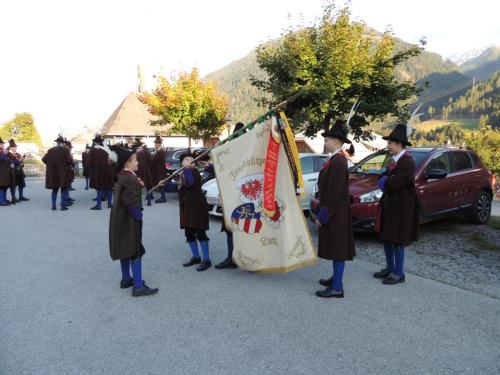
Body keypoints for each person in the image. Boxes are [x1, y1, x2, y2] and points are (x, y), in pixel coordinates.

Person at [109, 145, 158, 297]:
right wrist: (139, 217)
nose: (138, 163)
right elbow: (130, 201)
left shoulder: (123, 175)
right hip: (129, 220)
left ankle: (126, 279)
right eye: (135, 160)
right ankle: (138, 286)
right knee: (136, 250)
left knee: (125, 248)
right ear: (127, 163)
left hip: (119, 219)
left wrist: (140, 185)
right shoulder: (130, 178)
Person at [374, 124, 419, 285]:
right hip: (390, 206)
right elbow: (381, 178)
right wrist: (385, 180)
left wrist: (385, 180)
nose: (388, 146)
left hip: (401, 208)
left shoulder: (408, 162)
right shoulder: (394, 160)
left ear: (399, 144)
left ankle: (399, 273)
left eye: (390, 143)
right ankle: (390, 268)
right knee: (387, 238)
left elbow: (392, 183)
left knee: (398, 239)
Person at [315, 120, 356, 299]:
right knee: (334, 247)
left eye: (327, 140)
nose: (325, 143)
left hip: (335, 214)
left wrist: (322, 216)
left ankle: (337, 287)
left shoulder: (339, 161)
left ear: (336, 142)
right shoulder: (335, 159)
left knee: (338, 248)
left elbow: (334, 192)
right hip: (335, 212)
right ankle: (335, 278)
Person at [200, 122, 247, 269]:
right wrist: (209, 166)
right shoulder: (236, 153)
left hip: (241, 197)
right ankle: (232, 258)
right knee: (231, 229)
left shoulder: (243, 154)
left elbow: (226, 171)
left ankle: (243, 259)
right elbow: (224, 170)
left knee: (241, 230)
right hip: (233, 197)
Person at [178, 152, 211, 271]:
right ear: (181, 162)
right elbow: (180, 189)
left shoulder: (194, 172)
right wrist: (163, 183)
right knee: (189, 233)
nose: (189, 161)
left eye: (191, 159)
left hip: (197, 207)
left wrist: (187, 169)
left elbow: (191, 183)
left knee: (200, 232)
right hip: (187, 208)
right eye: (186, 159)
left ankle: (206, 260)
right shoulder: (181, 173)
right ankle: (196, 257)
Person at [42, 135, 74, 211]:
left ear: (57, 143)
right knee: (63, 189)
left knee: (55, 190)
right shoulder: (65, 150)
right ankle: (63, 206)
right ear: (63, 143)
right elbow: (69, 161)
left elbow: (44, 159)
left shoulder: (50, 150)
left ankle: (53, 206)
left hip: (53, 174)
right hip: (63, 173)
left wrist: (51, 164)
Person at [88, 135, 115, 210]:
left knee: (99, 188)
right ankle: (110, 204)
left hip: (98, 171)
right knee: (109, 188)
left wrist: (92, 169)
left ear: (96, 142)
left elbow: (90, 162)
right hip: (108, 171)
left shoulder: (93, 149)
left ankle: (98, 205)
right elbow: (113, 159)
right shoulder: (108, 148)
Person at [133, 140, 154, 206]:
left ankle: (140, 203)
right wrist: (149, 167)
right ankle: (149, 201)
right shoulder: (145, 151)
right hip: (146, 170)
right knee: (148, 185)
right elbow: (150, 160)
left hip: (137, 170)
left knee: (138, 186)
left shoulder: (134, 152)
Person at [151, 136, 167, 203]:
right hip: (160, 170)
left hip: (160, 171)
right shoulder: (160, 151)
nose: (155, 145)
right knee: (161, 183)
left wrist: (153, 157)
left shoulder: (161, 151)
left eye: (155, 144)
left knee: (161, 184)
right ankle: (162, 197)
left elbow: (155, 160)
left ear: (159, 144)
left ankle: (163, 198)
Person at [0, 137, 14, 206]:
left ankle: (4, 199)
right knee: (1, 187)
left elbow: (8, 159)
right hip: (1, 174)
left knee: (5, 187)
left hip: (5, 173)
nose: (3, 145)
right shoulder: (2, 153)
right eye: (1, 144)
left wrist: (10, 163)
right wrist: (4, 154)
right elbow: (1, 160)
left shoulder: (3, 152)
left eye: (3, 144)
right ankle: (1, 201)